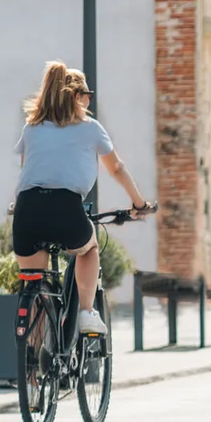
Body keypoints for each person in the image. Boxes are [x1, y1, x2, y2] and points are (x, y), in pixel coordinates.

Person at [12, 62, 151, 338]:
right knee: (88, 249)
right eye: (86, 94)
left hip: (26, 210)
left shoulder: (32, 128)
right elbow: (117, 169)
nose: (89, 100)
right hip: (66, 207)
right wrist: (139, 204)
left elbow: (27, 171)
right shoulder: (90, 128)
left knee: (35, 286)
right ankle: (87, 313)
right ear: (76, 97)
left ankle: (34, 367)